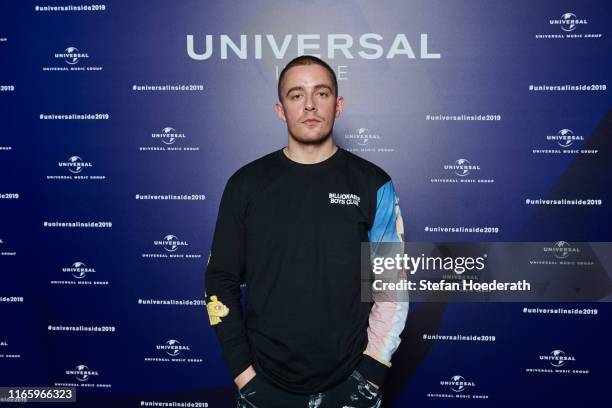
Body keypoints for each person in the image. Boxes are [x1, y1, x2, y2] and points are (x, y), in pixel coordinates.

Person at [204, 55, 408, 408]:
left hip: (351, 382)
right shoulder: (245, 185)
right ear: (281, 109)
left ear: (338, 105)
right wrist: (242, 372)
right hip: (264, 383)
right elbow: (220, 280)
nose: (310, 104)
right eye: (296, 95)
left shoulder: (374, 184)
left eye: (322, 93)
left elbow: (392, 285)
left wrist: (373, 371)